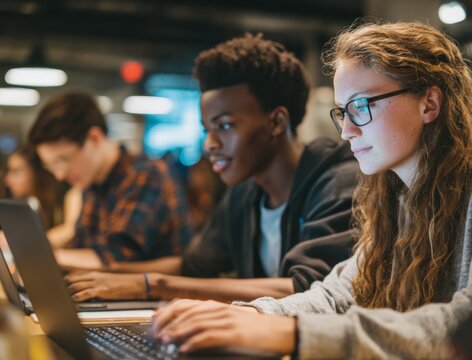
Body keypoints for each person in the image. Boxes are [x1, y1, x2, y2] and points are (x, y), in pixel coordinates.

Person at [150, 22, 472, 358]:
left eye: (360, 106)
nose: (347, 131)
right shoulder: (398, 195)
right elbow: (339, 294)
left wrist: (294, 333)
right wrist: (254, 315)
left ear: (429, 103)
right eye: (343, 112)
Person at [64, 34, 358, 303]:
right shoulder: (245, 192)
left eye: (225, 126)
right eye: (207, 130)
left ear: (276, 122)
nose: (210, 145)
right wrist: (103, 275)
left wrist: (151, 285)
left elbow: (307, 288)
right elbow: (193, 265)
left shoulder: (338, 183)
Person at [28, 92, 190, 270]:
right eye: (50, 166)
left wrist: (40, 257)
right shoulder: (92, 182)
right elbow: (82, 247)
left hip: (159, 296)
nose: (59, 175)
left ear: (94, 138)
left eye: (63, 160)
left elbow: (116, 258)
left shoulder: (144, 174)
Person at [4, 145, 80, 248]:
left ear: (37, 172)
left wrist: (19, 242)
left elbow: (70, 231)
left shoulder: (72, 194)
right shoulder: (24, 204)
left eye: (16, 171)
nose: (8, 180)